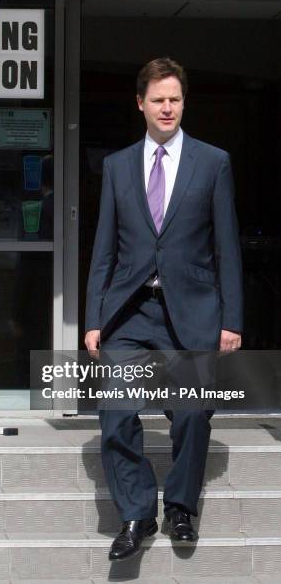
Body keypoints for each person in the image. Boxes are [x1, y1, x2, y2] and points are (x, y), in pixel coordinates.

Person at [84, 57, 243, 562]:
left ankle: (179, 508)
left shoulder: (212, 162)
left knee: (193, 413)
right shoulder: (116, 166)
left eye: (174, 98)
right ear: (140, 104)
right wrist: (93, 317)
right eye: (158, 99)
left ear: (183, 102)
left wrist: (231, 319)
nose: (167, 107)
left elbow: (227, 247)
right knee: (116, 413)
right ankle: (135, 513)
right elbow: (103, 249)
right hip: (129, 312)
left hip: (192, 311)